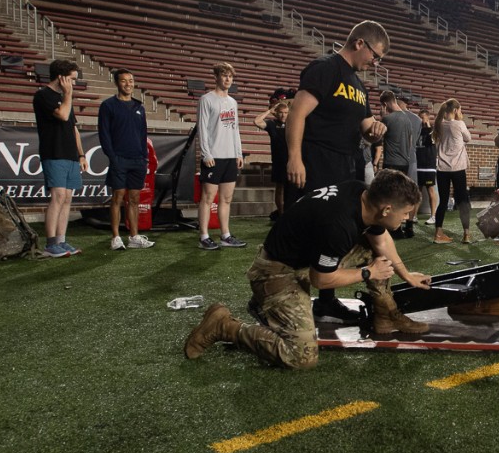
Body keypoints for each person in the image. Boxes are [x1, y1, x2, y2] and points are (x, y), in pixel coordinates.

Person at [184, 170, 433, 369]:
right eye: (406, 213)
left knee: (374, 251)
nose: (407, 219)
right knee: (301, 357)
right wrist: (368, 272)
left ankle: (386, 316)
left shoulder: (362, 193)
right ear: (387, 209)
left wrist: (406, 274)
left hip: (301, 259)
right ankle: (224, 325)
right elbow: (321, 280)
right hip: (276, 272)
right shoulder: (339, 224)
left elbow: (380, 240)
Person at [286, 21, 389, 323]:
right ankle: (286, 298)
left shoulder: (358, 85)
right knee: (309, 233)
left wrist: (376, 131)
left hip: (346, 166)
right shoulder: (325, 68)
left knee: (334, 234)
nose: (376, 62)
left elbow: (365, 127)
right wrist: (295, 157)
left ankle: (326, 302)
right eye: (376, 54)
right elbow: (297, 112)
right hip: (317, 162)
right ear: (360, 43)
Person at [32, 59, 86, 257]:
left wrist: (81, 154)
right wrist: (68, 94)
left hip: (71, 155)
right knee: (58, 196)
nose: (73, 84)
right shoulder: (42, 95)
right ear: (61, 78)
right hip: (54, 153)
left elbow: (73, 128)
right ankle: (50, 244)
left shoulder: (66, 98)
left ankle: (61, 241)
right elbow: (63, 115)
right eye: (72, 80)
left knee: (68, 198)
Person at [98, 68, 154, 251]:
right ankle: (115, 238)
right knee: (118, 197)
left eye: (131, 81)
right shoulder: (108, 106)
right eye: (124, 81)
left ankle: (134, 237)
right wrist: (113, 157)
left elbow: (142, 134)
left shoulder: (139, 107)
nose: (128, 84)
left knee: (135, 198)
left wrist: (144, 157)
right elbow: (104, 135)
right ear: (117, 83)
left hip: (138, 160)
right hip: (119, 159)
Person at [197, 62, 245, 251]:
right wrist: (206, 153)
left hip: (230, 156)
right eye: (224, 75)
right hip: (214, 156)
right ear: (216, 77)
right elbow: (202, 128)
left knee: (226, 198)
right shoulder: (206, 99)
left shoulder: (233, 102)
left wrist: (238, 152)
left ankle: (225, 235)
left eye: (230, 76)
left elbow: (235, 129)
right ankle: (204, 236)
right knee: (208, 198)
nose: (227, 79)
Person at [376, 91, 422, 238]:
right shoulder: (408, 119)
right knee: (403, 196)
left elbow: (376, 139)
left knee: (388, 197)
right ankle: (408, 227)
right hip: (405, 162)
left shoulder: (387, 119)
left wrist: (382, 116)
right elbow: (410, 142)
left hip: (391, 162)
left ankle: (393, 230)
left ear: (385, 104)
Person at [433, 98, 473, 244]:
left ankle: (438, 233)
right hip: (457, 167)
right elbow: (468, 138)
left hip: (442, 167)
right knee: (462, 200)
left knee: (442, 201)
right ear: (456, 110)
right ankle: (466, 234)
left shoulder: (438, 124)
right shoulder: (459, 123)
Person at [252, 88, 295, 221]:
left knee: (292, 189)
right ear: (277, 114)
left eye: (286, 113)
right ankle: (281, 216)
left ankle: (290, 215)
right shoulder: (272, 124)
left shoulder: (293, 123)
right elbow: (256, 121)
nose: (283, 115)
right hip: (279, 161)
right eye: (281, 113)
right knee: (280, 189)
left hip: (292, 161)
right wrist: (269, 111)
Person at [415, 104, 439, 224]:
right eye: (420, 118)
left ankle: (433, 215)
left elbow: (433, 141)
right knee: (417, 191)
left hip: (429, 164)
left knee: (430, 190)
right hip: (418, 164)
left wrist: (428, 125)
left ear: (428, 118)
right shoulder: (417, 130)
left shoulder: (433, 130)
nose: (422, 120)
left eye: (424, 117)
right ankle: (413, 215)